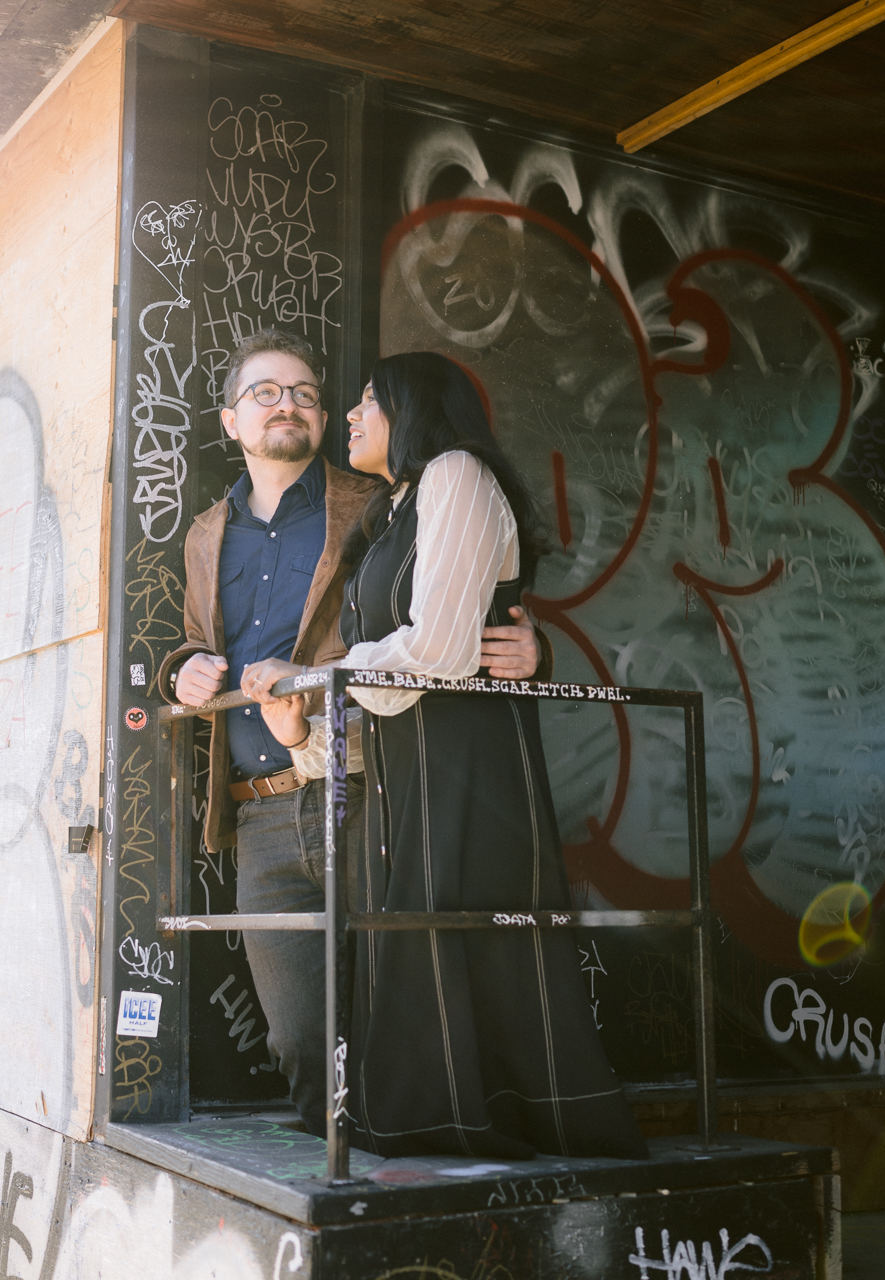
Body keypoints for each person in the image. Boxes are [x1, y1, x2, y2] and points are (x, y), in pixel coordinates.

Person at [245, 351, 648, 1160]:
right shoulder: (395, 509)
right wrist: (307, 736)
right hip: (406, 773)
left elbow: (439, 648)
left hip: (470, 765)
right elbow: (392, 667)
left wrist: (312, 675)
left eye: (368, 400)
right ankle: (442, 1134)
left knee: (478, 942)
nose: (353, 415)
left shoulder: (457, 473)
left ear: (414, 407)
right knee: (427, 949)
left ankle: (514, 1134)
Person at [154, 331, 544, 1136]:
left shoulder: (374, 500)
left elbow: (454, 598)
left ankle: (396, 1183)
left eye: (304, 392)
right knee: (299, 1039)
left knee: (397, 1014)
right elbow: (200, 641)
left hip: (366, 785)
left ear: (326, 417)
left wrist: (535, 647)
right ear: (232, 420)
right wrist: (181, 671)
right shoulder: (203, 533)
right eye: (266, 392)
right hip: (258, 809)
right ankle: (336, 1186)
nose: (287, 404)